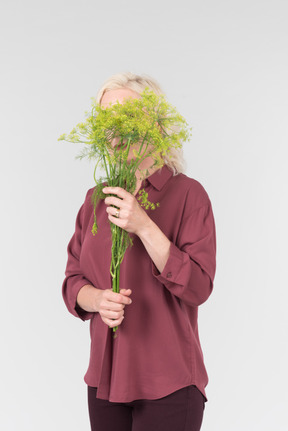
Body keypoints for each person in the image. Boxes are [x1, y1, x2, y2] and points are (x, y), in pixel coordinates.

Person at [62, 72, 216, 431]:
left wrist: (144, 225)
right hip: (105, 381)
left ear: (153, 123)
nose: (112, 129)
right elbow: (72, 282)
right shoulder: (95, 199)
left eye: (123, 117)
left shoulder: (189, 195)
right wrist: (98, 299)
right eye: (105, 119)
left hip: (171, 381)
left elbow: (198, 287)